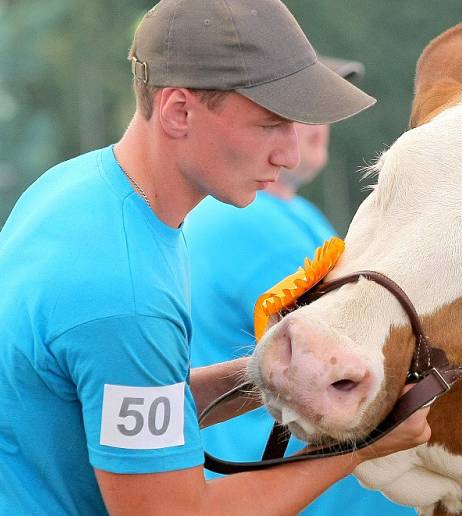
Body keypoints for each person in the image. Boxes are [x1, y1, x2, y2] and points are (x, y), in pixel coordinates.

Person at [0, 1, 431, 515]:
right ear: (178, 111)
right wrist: (363, 443)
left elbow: (112, 399)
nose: (288, 154)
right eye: (270, 125)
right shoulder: (125, 293)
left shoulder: (76, 188)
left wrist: (261, 375)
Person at [185, 57, 417, 515]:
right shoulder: (249, 220)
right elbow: (357, 352)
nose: (314, 127)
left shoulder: (292, 215)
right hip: (286, 490)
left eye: (323, 107)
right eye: (293, 111)